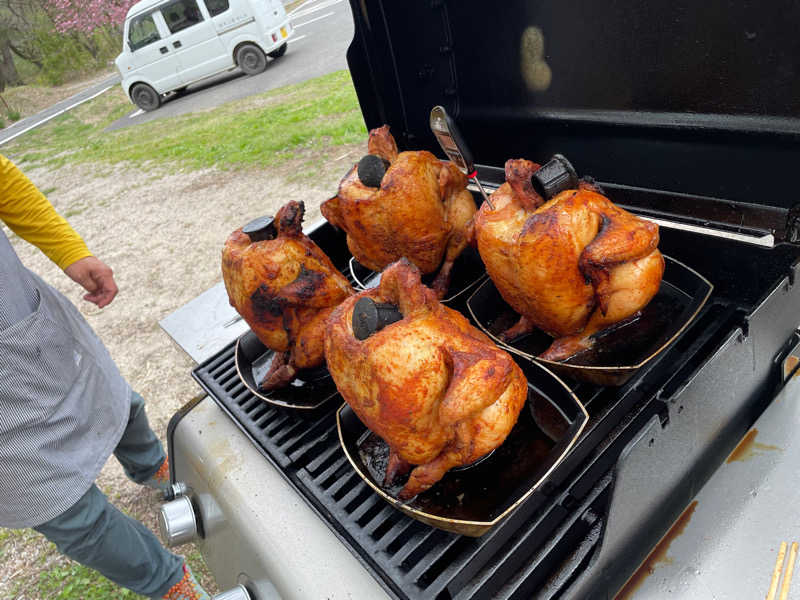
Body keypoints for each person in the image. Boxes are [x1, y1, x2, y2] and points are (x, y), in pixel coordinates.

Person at [0, 154, 212, 600]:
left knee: (114, 404)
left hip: (17, 318)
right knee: (64, 511)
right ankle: (170, 584)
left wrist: (70, 251)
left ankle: (154, 466)